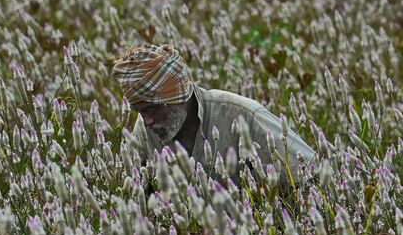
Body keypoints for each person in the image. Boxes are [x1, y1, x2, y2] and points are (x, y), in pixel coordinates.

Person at [112, 43, 316, 189]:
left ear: (179, 96)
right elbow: (133, 197)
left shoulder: (242, 115)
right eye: (139, 111)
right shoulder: (144, 130)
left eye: (151, 109)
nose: (146, 121)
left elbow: (310, 177)